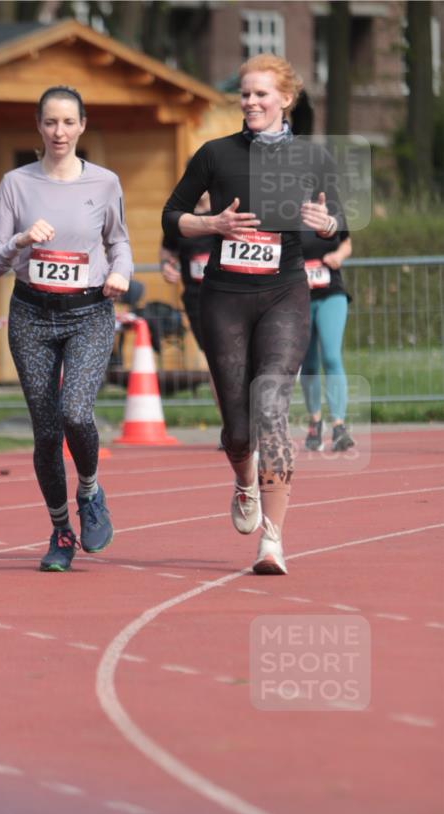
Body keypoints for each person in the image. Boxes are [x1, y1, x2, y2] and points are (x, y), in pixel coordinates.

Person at [162, 54, 343, 575]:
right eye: (245, 94)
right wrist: (212, 223)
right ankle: (245, 483)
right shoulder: (215, 154)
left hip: (284, 293)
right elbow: (171, 217)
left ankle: (273, 540)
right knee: (239, 430)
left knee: (272, 411)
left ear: (286, 99)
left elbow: (339, 221)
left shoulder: (312, 158)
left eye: (261, 94)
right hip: (224, 298)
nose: (251, 102)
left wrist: (325, 222)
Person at [0, 85, 132, 571]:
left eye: (69, 122)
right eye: (51, 122)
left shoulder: (105, 183)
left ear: (82, 125)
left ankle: (89, 490)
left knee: (75, 413)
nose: (59, 131)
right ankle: (60, 531)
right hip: (30, 314)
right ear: (39, 127)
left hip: (89, 313)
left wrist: (120, 273)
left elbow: (119, 243)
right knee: (46, 433)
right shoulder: (15, 184)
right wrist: (20, 241)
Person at [159, 191, 224, 445]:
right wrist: (167, 267)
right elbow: (166, 252)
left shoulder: (225, 208)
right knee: (217, 360)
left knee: (237, 359)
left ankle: (248, 420)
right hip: (197, 299)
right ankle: (229, 425)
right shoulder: (181, 218)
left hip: (227, 294)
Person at [300, 228, 355, 451]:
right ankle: (314, 422)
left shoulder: (331, 205)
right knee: (309, 362)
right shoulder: (282, 211)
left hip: (332, 293)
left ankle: (339, 426)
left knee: (331, 357)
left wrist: (339, 256)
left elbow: (346, 243)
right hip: (299, 297)